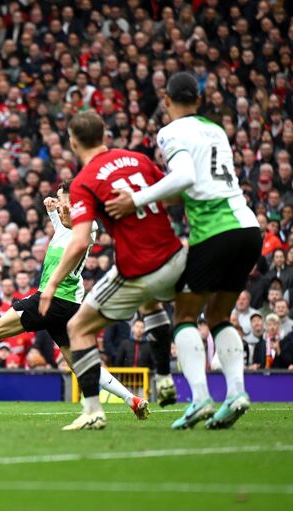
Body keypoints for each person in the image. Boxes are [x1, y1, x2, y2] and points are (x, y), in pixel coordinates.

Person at [0, 183, 151, 420]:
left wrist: (61, 210)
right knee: (79, 362)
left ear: (72, 198)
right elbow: (63, 229)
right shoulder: (70, 225)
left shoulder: (86, 223)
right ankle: (133, 399)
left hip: (53, 297)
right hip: (67, 303)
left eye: (60, 197)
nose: (57, 201)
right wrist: (52, 211)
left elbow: (75, 227)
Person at [105, 71, 262, 430]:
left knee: (185, 316)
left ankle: (201, 400)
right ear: (199, 100)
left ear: (166, 100)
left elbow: (185, 177)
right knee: (220, 316)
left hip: (215, 231)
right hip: (248, 227)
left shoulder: (171, 131)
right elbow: (195, 184)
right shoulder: (216, 130)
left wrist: (137, 199)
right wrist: (163, 199)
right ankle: (236, 392)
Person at [39, 111, 186, 430]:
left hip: (136, 265)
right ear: (104, 134)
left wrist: (50, 285)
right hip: (175, 255)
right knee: (162, 307)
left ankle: (93, 411)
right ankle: (165, 375)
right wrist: (140, 198)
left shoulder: (84, 181)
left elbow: (79, 240)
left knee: (78, 328)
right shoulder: (139, 160)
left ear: (73, 141)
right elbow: (177, 194)